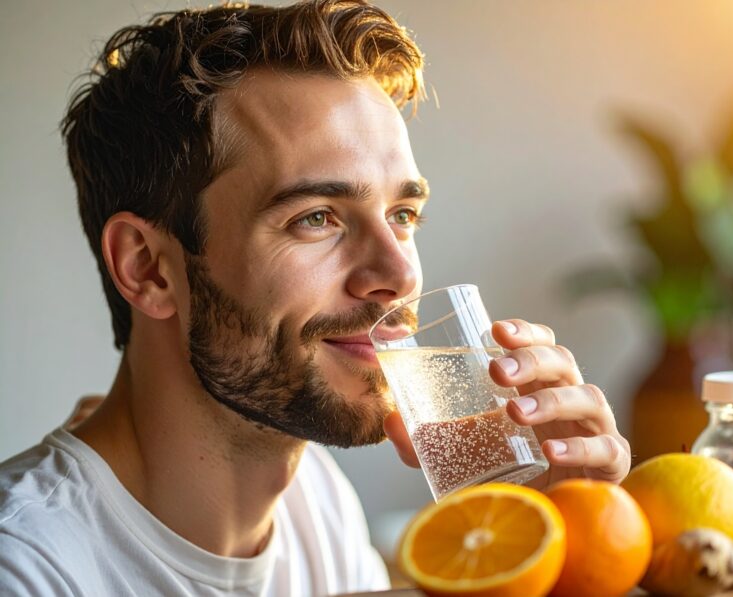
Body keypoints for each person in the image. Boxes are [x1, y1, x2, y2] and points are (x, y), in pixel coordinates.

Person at [0, 1, 631, 595]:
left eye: (403, 214)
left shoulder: (316, 501)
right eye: (317, 218)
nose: (399, 274)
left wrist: (545, 546)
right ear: (147, 268)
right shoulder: (27, 568)